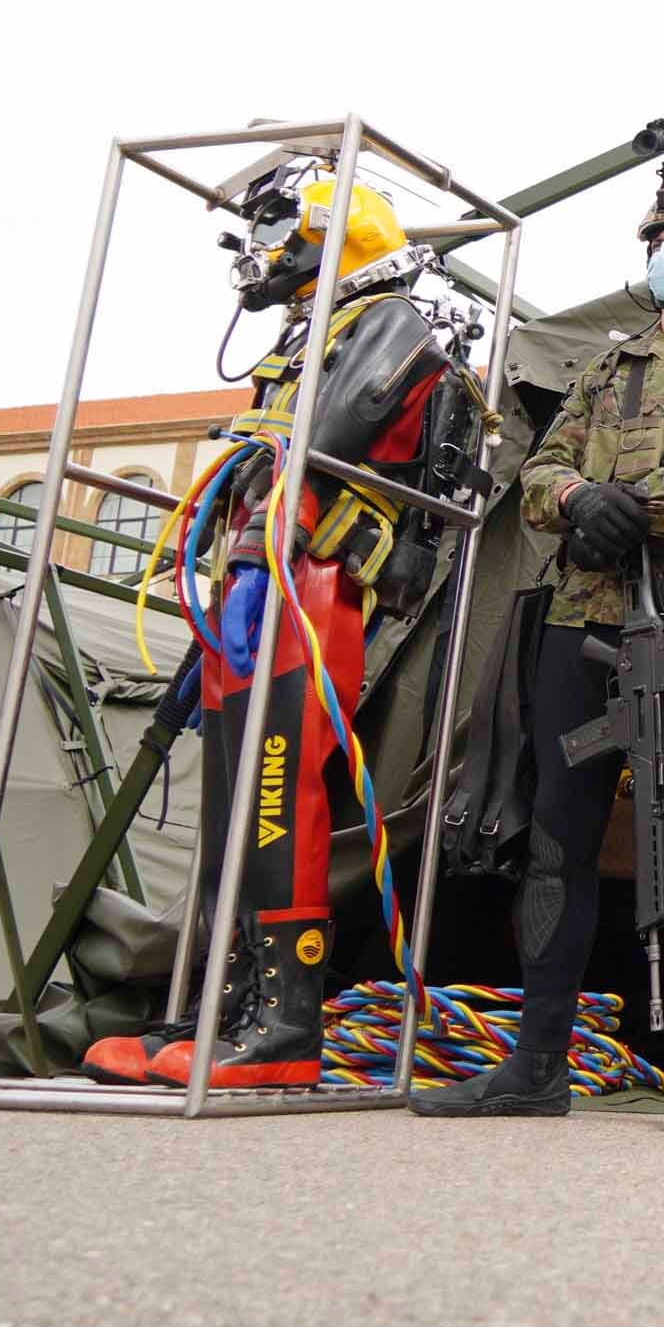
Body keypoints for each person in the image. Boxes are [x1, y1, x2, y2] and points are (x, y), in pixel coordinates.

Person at [84, 167, 487, 1089]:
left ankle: (284, 1026)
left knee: (277, 797)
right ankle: (225, 1008)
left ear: (332, 233)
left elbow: (327, 440)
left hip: (313, 584)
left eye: (277, 232)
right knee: (230, 802)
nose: (261, 255)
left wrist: (262, 544)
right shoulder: (315, 334)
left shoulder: (390, 324)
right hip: (256, 577)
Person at [413, 175, 664, 1132]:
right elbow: (541, 468)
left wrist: (633, 505)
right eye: (657, 241)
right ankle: (536, 1063)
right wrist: (578, 500)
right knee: (555, 832)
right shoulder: (605, 368)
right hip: (582, 617)